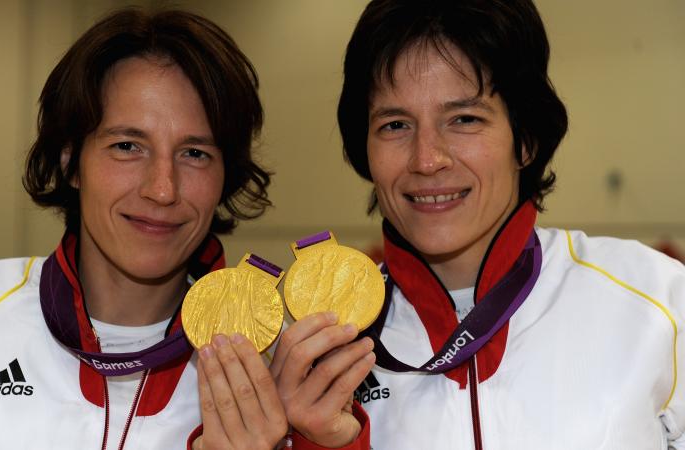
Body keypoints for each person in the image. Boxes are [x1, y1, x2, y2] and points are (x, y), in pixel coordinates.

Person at [275, 0, 685, 449]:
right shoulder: (321, 348)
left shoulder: (657, 301)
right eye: (395, 125)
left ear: (525, 139)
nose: (427, 160)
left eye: (464, 119)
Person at [0, 8, 289, 450]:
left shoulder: (267, 368)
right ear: (70, 160)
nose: (162, 189)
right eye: (127, 146)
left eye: (194, 153)